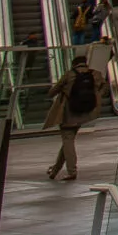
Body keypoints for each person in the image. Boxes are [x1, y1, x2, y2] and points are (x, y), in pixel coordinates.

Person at [43, 49, 103, 181]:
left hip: (68, 114)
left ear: (73, 64)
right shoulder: (95, 75)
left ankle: (72, 171)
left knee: (68, 141)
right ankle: (55, 170)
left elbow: (52, 92)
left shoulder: (69, 75)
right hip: (84, 114)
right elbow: (103, 87)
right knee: (67, 141)